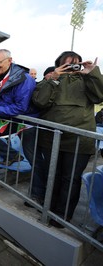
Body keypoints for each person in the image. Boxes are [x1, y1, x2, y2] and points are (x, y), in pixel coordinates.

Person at [32, 51, 103, 227]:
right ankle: (49, 209)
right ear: (59, 65)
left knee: (70, 179)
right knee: (53, 176)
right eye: (67, 64)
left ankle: (62, 216)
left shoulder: (86, 81)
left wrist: (92, 73)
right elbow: (39, 102)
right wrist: (53, 79)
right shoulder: (50, 80)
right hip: (51, 139)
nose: (71, 68)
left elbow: (100, 96)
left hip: (79, 141)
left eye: (75, 64)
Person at [0, 49, 38, 166]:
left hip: (25, 121)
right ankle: (13, 155)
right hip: (7, 117)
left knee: (31, 153)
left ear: (9, 61)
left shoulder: (24, 78)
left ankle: (40, 181)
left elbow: (21, 107)